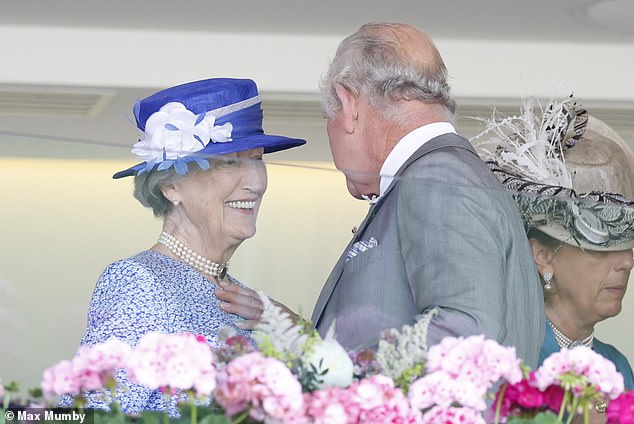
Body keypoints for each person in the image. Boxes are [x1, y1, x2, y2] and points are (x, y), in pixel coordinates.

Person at [63, 78, 305, 414]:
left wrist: (298, 331)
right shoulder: (139, 282)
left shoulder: (247, 299)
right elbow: (88, 418)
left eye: (258, 160)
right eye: (231, 163)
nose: (255, 182)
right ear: (171, 186)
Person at [474, 95, 634, 418]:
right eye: (601, 245)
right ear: (543, 256)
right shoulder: (510, 361)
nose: (627, 261)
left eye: (627, 245)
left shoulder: (618, 367)